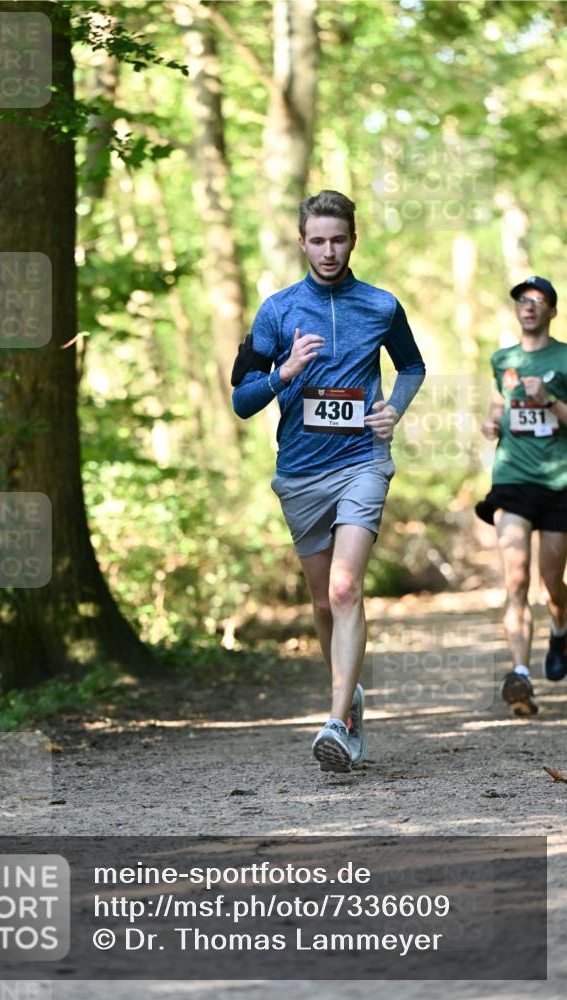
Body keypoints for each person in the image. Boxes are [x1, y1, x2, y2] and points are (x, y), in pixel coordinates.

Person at [231, 190, 425, 773]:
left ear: (353, 240)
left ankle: (338, 722)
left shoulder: (381, 305)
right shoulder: (277, 310)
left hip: (362, 461)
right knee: (321, 601)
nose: (328, 251)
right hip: (299, 471)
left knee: (344, 589)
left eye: (337, 239)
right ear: (301, 242)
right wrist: (283, 372)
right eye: (317, 240)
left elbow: (411, 365)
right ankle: (350, 697)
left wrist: (394, 406)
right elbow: (241, 399)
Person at [476, 276, 567, 717]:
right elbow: (500, 402)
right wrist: (492, 422)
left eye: (538, 301)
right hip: (512, 476)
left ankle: (560, 625)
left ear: (552, 310)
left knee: (553, 584)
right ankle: (521, 677)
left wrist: (550, 400)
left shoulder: (565, 357)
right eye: (522, 301)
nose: (529, 307)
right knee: (516, 579)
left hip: (558, 482)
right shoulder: (503, 359)